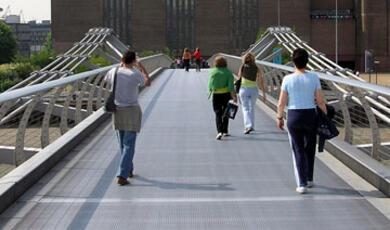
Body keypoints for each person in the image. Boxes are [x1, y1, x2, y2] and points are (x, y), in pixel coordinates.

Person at [277, 48, 327, 194]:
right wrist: (324, 116)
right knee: (310, 148)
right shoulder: (314, 77)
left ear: (293, 61)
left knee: (298, 149)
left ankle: (302, 183)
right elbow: (320, 101)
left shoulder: (287, 79)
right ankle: (310, 178)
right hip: (310, 115)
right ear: (307, 61)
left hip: (293, 115)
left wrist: (279, 117)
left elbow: (281, 102)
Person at [105, 50, 151, 186]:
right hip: (131, 110)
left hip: (117, 110)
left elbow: (106, 80)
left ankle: (128, 169)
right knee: (129, 144)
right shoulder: (135, 73)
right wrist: (142, 67)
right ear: (134, 60)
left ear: (122, 59)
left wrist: (120, 66)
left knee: (122, 144)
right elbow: (147, 83)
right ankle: (122, 174)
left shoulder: (113, 71)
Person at [208, 56, 237, 140]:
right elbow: (231, 86)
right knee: (226, 113)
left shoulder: (213, 72)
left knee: (218, 113)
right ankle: (225, 131)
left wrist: (210, 91)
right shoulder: (228, 73)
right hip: (226, 94)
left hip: (216, 94)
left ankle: (219, 131)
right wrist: (234, 96)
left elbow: (210, 84)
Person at [237, 53, 266, 134]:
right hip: (254, 90)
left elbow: (239, 77)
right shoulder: (256, 68)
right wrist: (264, 94)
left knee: (245, 108)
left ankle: (248, 126)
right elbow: (261, 81)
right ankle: (252, 126)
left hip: (244, 90)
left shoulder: (243, 66)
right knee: (252, 108)